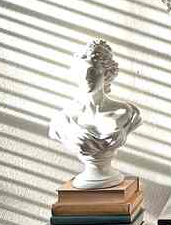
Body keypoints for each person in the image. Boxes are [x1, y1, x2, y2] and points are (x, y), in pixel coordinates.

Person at [49, 39, 142, 187]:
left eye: (93, 71)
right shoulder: (63, 119)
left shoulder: (125, 112)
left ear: (107, 74)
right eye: (82, 71)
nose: (87, 78)